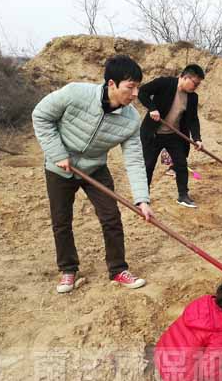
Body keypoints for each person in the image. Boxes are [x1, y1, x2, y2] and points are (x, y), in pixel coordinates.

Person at [32, 55, 154, 293]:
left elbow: (134, 159)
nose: (136, 93)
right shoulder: (75, 93)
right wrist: (57, 153)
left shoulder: (131, 120)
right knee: (61, 221)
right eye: (130, 87)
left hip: (95, 168)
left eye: (138, 87)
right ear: (111, 84)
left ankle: (118, 270)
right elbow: (41, 116)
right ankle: (68, 269)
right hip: (59, 167)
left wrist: (142, 199)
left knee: (111, 217)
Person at [139, 64, 205, 208]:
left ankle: (183, 196)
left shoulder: (192, 97)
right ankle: (143, 198)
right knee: (148, 165)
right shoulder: (165, 83)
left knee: (181, 165)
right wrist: (152, 108)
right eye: (195, 83)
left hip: (173, 135)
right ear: (185, 77)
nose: (196, 87)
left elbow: (193, 119)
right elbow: (142, 92)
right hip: (153, 133)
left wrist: (197, 138)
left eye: (198, 84)